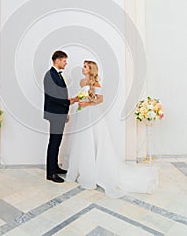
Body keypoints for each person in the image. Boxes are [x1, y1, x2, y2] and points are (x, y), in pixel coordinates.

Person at [64, 60, 158, 197]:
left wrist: (87, 103)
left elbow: (100, 100)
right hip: (82, 114)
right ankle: (84, 169)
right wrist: (73, 100)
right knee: (82, 141)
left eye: (85, 67)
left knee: (95, 140)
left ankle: (96, 170)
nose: (82, 68)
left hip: (92, 114)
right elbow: (80, 96)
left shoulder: (96, 83)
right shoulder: (81, 82)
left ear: (90, 69)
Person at [43, 50, 75, 183]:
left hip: (59, 113)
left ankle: (55, 167)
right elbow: (53, 97)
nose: (66, 63)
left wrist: (65, 111)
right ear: (57, 61)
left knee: (57, 142)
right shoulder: (50, 75)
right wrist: (68, 102)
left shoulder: (57, 75)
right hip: (55, 114)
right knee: (54, 142)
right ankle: (51, 173)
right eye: (64, 61)